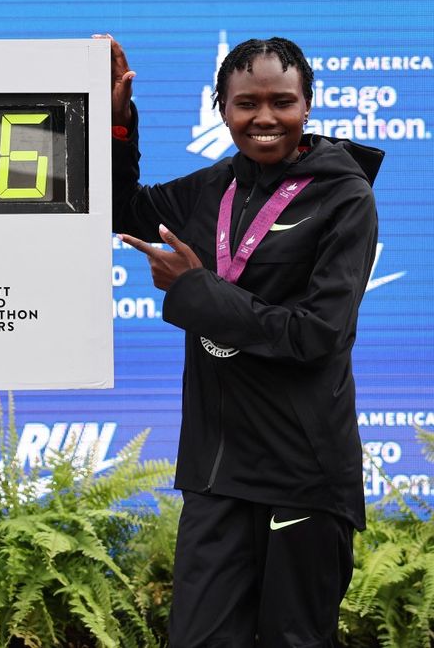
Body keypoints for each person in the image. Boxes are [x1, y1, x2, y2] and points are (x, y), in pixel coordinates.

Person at [99, 34, 383, 646]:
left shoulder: (345, 197)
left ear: (307, 105)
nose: (264, 118)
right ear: (221, 107)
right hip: (218, 472)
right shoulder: (212, 189)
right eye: (245, 103)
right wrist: (118, 124)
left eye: (281, 101)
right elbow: (123, 211)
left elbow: (317, 334)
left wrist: (197, 292)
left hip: (303, 470)